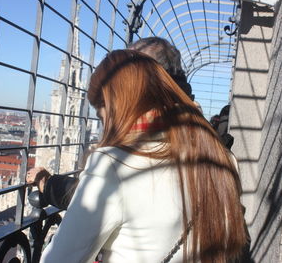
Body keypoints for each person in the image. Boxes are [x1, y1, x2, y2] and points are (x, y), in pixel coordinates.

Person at [38, 49, 247, 262]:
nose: (105, 127)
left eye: (103, 117)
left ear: (119, 109)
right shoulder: (224, 160)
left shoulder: (112, 165)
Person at [27, 37, 198, 210]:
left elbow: (100, 202)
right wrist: (51, 185)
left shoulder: (124, 158)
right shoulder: (202, 138)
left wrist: (97, 162)